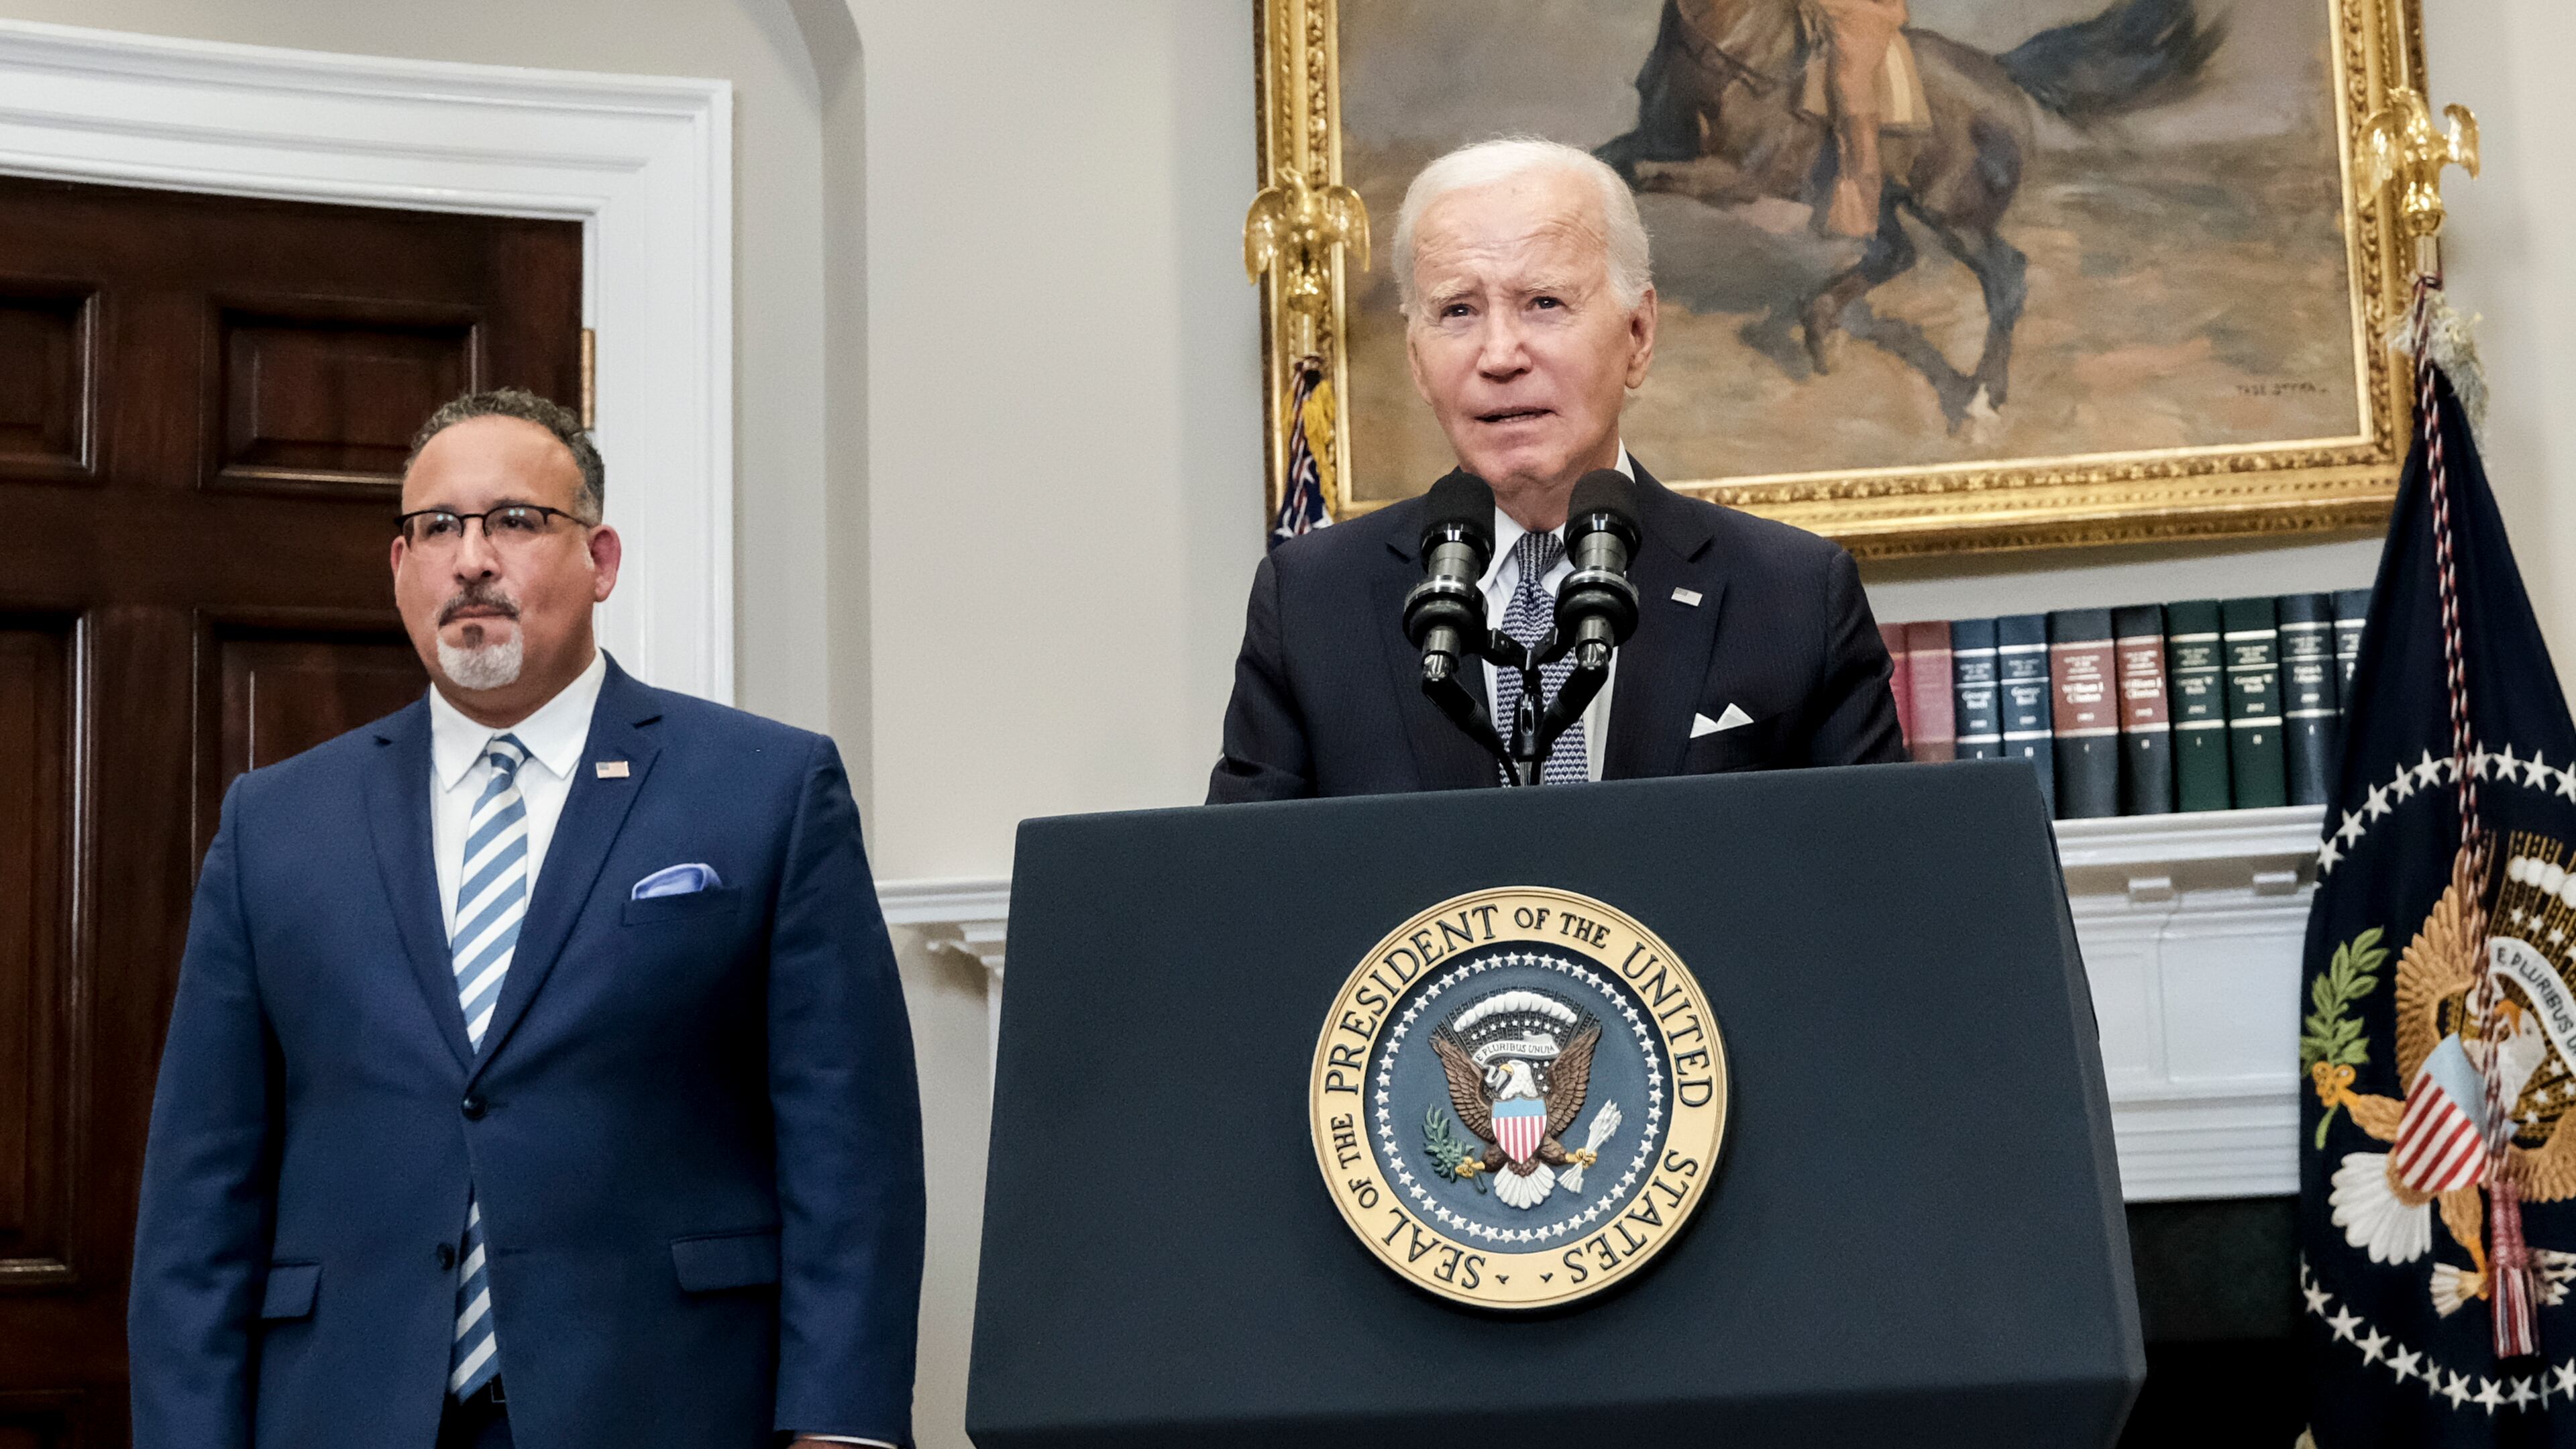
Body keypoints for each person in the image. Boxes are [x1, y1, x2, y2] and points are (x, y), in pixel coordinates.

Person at [128, 389, 925, 1449]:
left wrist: (842, 1429)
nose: (471, 559)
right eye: (437, 528)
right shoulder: (276, 824)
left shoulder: (765, 790)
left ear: (600, 560)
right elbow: (200, 1187)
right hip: (345, 1411)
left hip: (667, 1405)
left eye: (513, 521)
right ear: (399, 569)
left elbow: (850, 1151)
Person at [1208, 138, 1904, 803]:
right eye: (1457, 311)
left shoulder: (1793, 596)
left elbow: (1874, 884)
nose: (1500, 354)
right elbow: (1244, 893)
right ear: (1418, 361)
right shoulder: (1311, 602)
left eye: (1544, 303)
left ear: (1638, 333)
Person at [1805, 0, 1913, 237]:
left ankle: (1862, 220)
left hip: (1858, 76)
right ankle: (1848, 216)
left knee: (1861, 148)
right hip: (1847, 37)